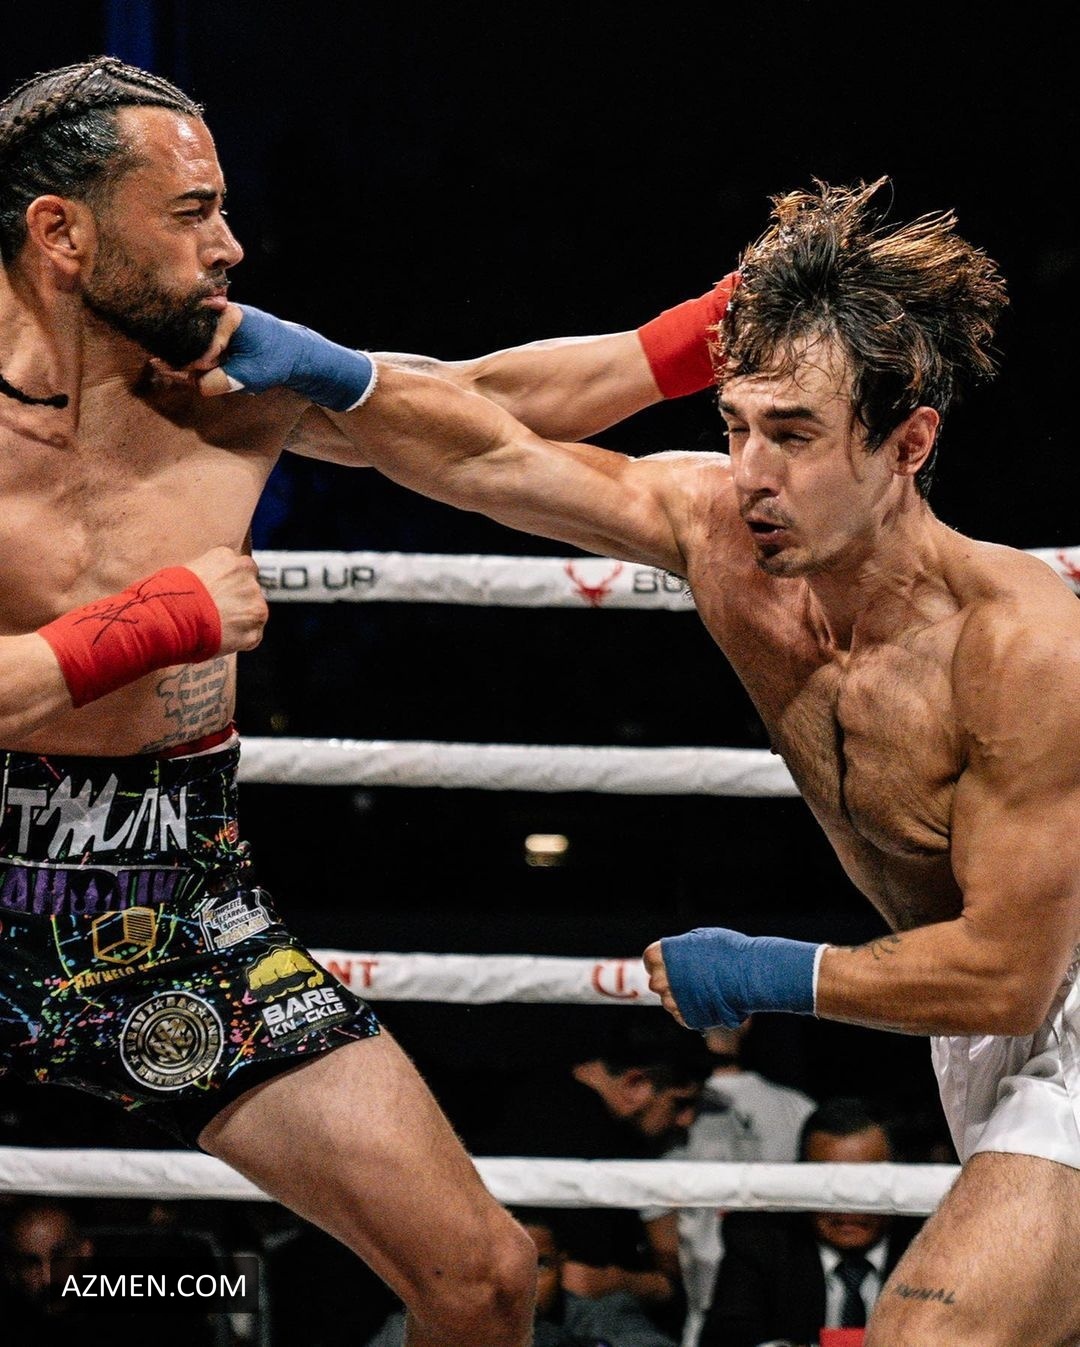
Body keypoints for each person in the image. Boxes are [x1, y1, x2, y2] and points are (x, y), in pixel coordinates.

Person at [298, 181, 1078, 1345]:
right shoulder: (719, 533)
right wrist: (270, 374)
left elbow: (1010, 975)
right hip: (972, 1023)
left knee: (936, 1335)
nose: (753, 470)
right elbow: (474, 445)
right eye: (736, 426)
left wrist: (769, 972)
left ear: (909, 444)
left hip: (1047, 986)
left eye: (795, 435)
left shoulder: (1020, 641)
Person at [0, 56, 538, 1347]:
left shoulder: (227, 389)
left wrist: (716, 331)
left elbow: (494, 406)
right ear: (61, 232)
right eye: (192, 212)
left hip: (175, 911)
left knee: (485, 1276)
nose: (230, 246)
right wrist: (163, 618)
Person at [470, 1013, 714, 1329]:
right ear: (635, 1084)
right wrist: (643, 1284)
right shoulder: (600, 1137)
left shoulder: (531, 1095)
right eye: (680, 1103)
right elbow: (584, 1280)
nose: (687, 1120)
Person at [647, 1018, 816, 1347]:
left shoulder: (665, 1106)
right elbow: (664, 1247)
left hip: (768, 1312)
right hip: (714, 1314)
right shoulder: (665, 1108)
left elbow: (664, 1248)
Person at [699, 1098, 921, 1347]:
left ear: (898, 1180)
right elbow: (726, 1339)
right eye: (829, 1185)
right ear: (802, 1182)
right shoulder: (760, 1239)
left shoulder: (933, 1244)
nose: (848, 1205)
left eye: (866, 1184)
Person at [367, 1208, 679, 1347]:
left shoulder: (601, 1315)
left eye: (540, 1266)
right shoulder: (428, 1325)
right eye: (506, 1265)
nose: (523, 1283)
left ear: (563, 1264)